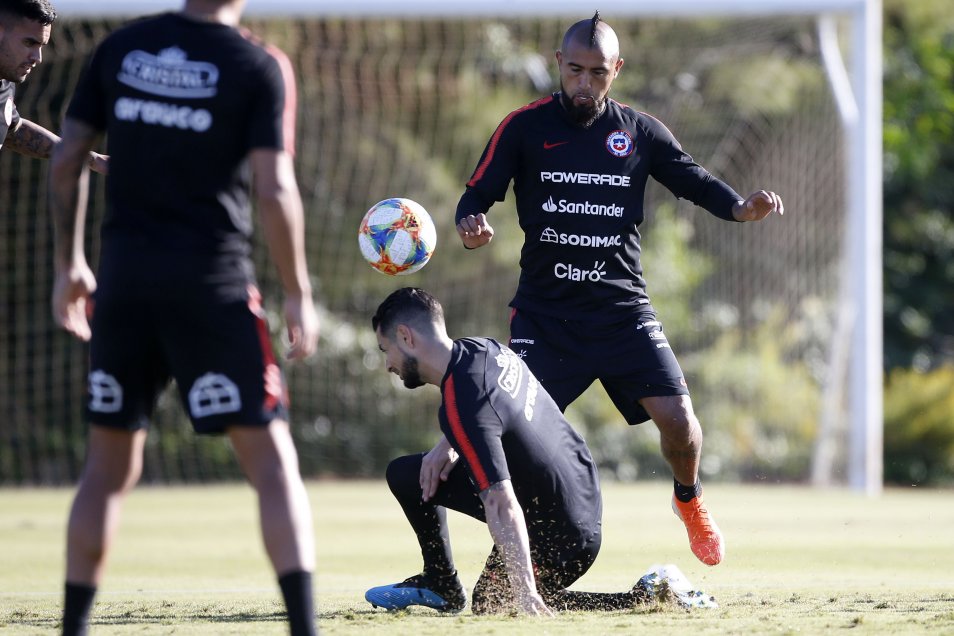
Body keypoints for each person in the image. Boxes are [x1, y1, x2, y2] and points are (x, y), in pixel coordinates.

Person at [455, 11, 785, 568]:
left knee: (680, 422)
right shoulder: (523, 127)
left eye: (598, 73)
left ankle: (689, 500)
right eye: (575, 70)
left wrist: (738, 207)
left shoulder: (639, 131)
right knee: (515, 439)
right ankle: (508, 562)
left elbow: (693, 179)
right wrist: (470, 225)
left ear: (617, 70)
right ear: (558, 64)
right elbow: (476, 194)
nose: (584, 83)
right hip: (545, 319)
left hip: (622, 313)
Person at [49, 1, 318, 634]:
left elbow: (66, 158)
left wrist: (70, 263)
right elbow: (275, 187)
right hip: (212, 289)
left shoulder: (122, 47)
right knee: (273, 467)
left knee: (106, 471)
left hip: (123, 287)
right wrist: (297, 290)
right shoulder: (259, 64)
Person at [365, 286, 664, 616]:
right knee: (406, 475)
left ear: (405, 337)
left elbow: (500, 501)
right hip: (577, 492)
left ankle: (646, 596)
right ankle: (440, 582)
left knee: (491, 603)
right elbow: (493, 410)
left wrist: (524, 591)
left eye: (386, 350)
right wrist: (449, 444)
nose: (388, 364)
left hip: (565, 535)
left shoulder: (465, 404)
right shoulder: (484, 348)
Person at [0, 0, 106, 172]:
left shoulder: (4, 81)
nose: (37, 58)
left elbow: (12, 130)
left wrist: (92, 159)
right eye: (29, 43)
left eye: (41, 46)